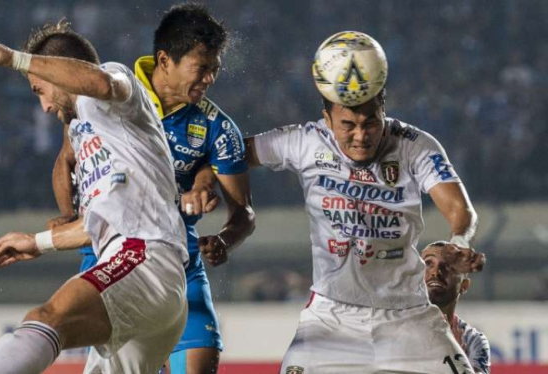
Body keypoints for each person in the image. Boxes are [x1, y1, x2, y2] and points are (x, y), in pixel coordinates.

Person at [244, 31, 486, 373]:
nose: (361, 135)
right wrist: (206, 180)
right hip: (330, 320)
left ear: (383, 110)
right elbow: (233, 154)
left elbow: (460, 208)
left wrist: (461, 240)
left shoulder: (414, 144)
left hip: (409, 316)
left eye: (370, 122)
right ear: (327, 120)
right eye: (348, 125)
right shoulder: (304, 141)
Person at [0, 21, 189, 374]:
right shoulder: (98, 138)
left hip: (144, 259)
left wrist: (15, 59)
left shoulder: (113, 83)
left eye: (40, 90)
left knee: (46, 318)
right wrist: (37, 242)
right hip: (152, 280)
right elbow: (97, 223)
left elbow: (98, 82)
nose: (43, 107)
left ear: (59, 72)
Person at [50, 4, 255, 373]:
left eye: (214, 69)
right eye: (201, 68)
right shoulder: (113, 94)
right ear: (165, 60)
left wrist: (224, 240)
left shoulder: (218, 130)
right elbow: (67, 158)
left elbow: (244, 214)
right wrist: (69, 215)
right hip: (109, 258)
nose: (209, 78)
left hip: (179, 263)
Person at [422, 241, 491, 374]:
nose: (436, 272)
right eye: (428, 264)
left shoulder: (472, 341)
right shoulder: (395, 325)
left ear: (464, 285)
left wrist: (457, 359)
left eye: (448, 267)